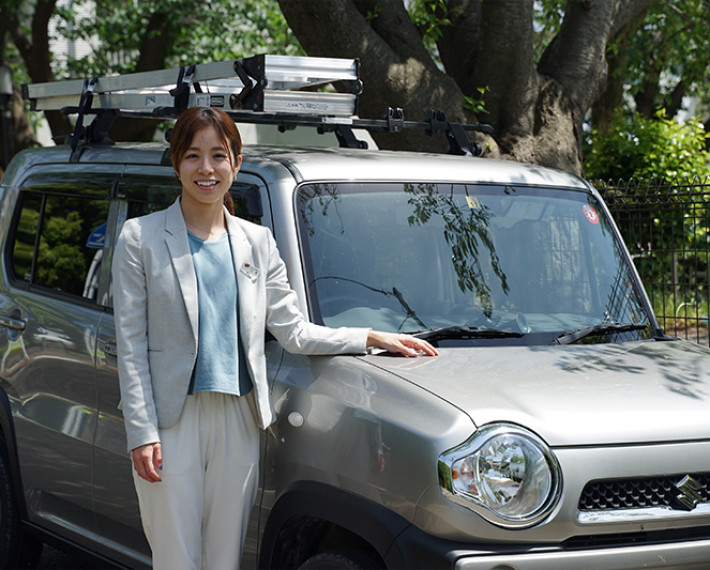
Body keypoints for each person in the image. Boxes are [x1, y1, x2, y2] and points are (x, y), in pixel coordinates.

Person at [111, 106, 437, 570]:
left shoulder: (257, 241)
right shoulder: (140, 237)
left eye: (218, 156)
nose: (206, 168)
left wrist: (369, 336)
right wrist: (141, 434)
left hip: (240, 419)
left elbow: (293, 331)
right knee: (176, 558)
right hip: (170, 421)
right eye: (193, 155)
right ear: (176, 163)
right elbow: (130, 345)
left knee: (224, 558)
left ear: (236, 163)